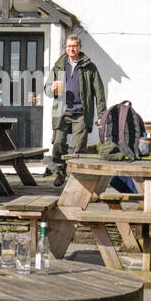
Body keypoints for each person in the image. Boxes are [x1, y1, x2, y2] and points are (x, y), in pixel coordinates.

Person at [49, 35, 106, 187]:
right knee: (59, 143)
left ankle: (74, 177)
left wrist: (102, 115)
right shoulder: (59, 66)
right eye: (68, 46)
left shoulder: (89, 67)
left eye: (74, 46)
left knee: (78, 146)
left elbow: (99, 93)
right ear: (65, 48)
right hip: (62, 112)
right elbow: (47, 90)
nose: (71, 49)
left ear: (79, 47)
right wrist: (51, 88)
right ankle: (61, 171)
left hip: (81, 112)